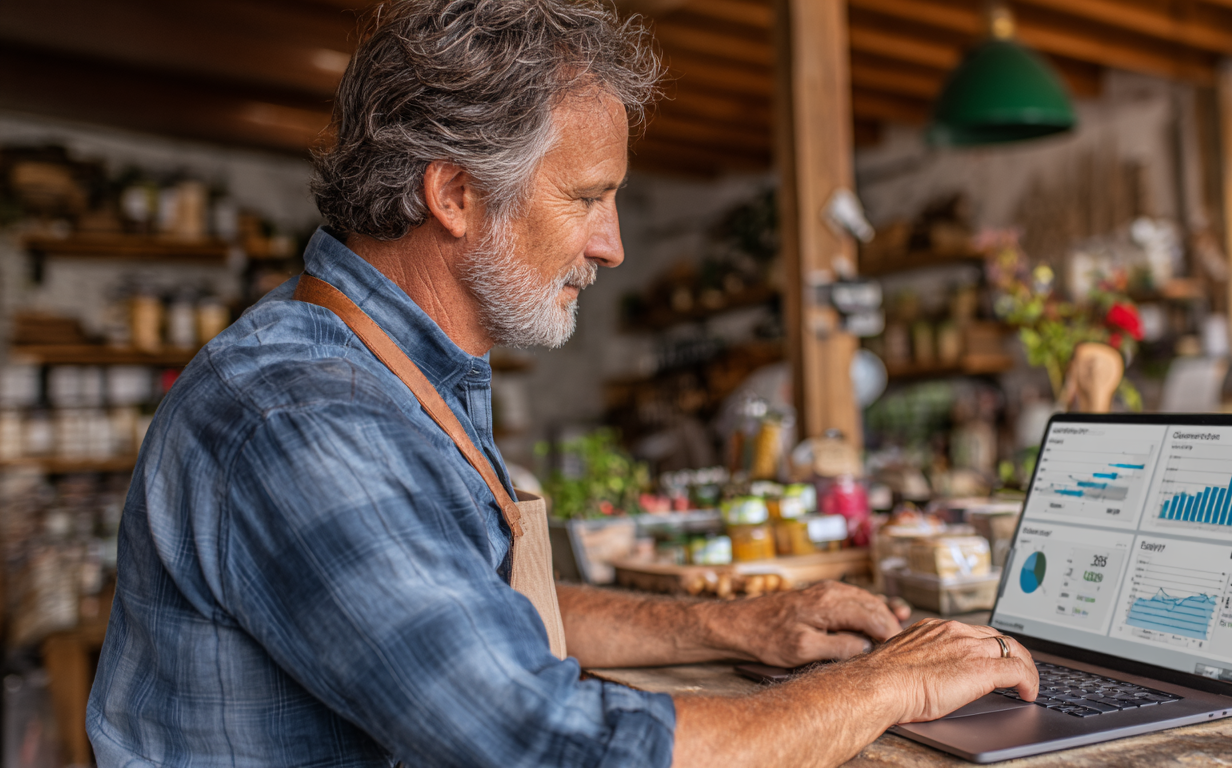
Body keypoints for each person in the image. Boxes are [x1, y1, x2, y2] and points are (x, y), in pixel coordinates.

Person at [85, 2, 1037, 766]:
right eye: (586, 198)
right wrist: (889, 687)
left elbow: (467, 606)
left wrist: (739, 622)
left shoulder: (397, 366)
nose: (612, 244)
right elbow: (540, 744)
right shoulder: (303, 414)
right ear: (454, 194)